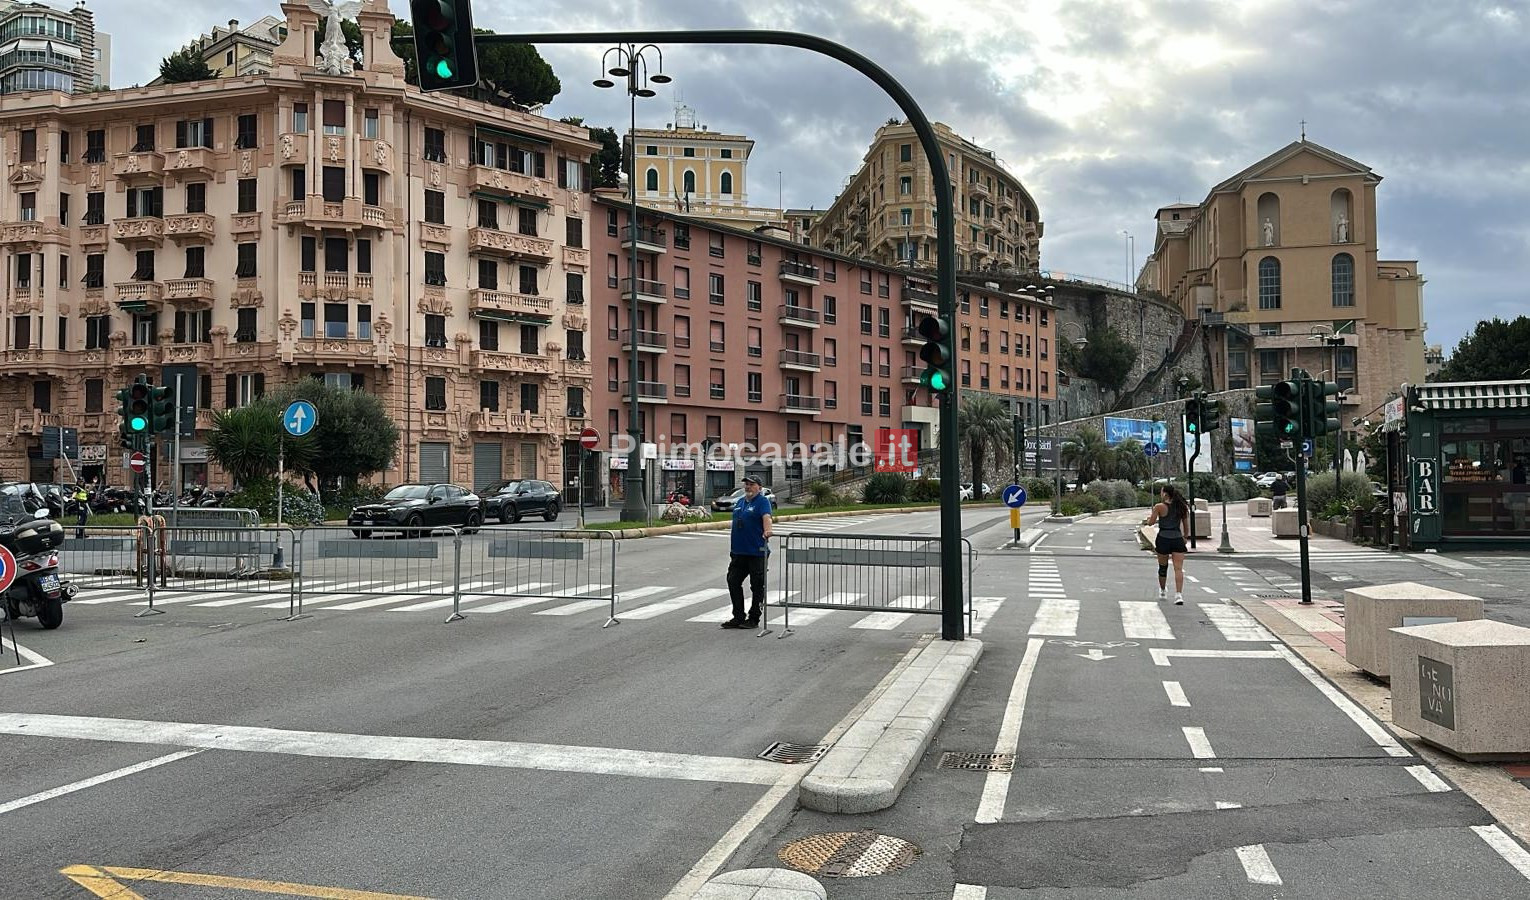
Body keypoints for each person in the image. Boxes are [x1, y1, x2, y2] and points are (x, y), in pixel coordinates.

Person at [722, 475, 773, 629]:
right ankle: (738, 616)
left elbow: (767, 517)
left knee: (757, 586)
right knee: (733, 581)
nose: (748, 487)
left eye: (751, 484)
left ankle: (754, 618)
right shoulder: (740, 502)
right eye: (746, 484)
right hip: (739, 552)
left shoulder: (762, 502)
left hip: (756, 552)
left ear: (759, 487)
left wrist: (768, 530)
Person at [1144, 484, 1190, 604]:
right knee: (1178, 569)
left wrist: (1148, 520)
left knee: (1163, 567)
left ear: (1165, 494)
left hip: (1163, 538)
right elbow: (1186, 525)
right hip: (1177, 539)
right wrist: (1185, 537)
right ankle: (1179, 595)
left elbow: (1151, 523)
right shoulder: (1181, 507)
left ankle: (1163, 590)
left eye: (1161, 492)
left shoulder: (1159, 507)